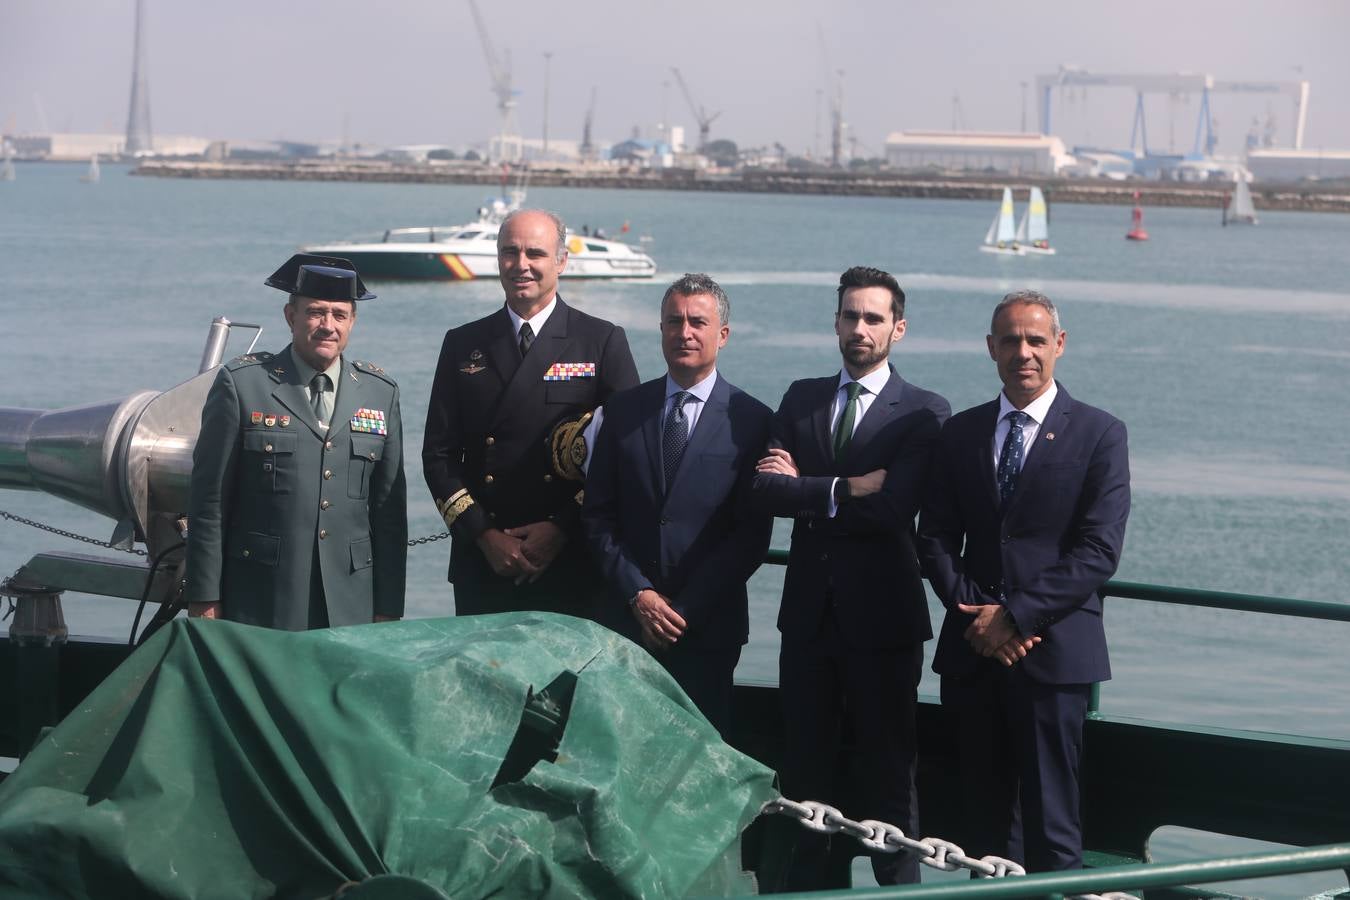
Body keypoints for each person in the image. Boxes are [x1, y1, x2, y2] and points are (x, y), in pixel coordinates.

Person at [918, 289, 1130, 872]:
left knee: (1052, 823)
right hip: (972, 653)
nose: (1024, 352)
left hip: (1054, 656)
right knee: (981, 826)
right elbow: (934, 537)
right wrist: (978, 617)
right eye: (1010, 340)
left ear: (1059, 345)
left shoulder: (1099, 434)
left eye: (1036, 339)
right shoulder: (960, 433)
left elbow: (1098, 550)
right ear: (991, 348)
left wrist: (1014, 617)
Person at [752, 266, 950, 888]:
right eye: (850, 316)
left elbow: (895, 509)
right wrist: (844, 487)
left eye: (873, 318)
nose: (859, 329)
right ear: (835, 321)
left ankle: (899, 889)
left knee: (889, 773)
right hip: (809, 617)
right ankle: (811, 888)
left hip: (884, 620)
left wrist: (806, 491)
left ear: (898, 327)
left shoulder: (922, 412)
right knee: (807, 772)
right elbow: (764, 489)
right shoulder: (802, 396)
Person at [422, 209, 639, 618]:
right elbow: (437, 456)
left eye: (535, 253)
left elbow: (624, 453)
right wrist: (484, 534)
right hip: (485, 563)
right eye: (510, 252)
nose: (521, 265)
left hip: (571, 561)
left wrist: (561, 528)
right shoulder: (462, 343)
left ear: (561, 261)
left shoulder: (601, 341)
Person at [581, 274, 772, 736]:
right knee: (621, 748)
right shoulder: (623, 411)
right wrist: (639, 594)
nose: (684, 332)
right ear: (661, 329)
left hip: (707, 627)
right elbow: (598, 517)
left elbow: (750, 537)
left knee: (700, 756)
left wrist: (682, 609)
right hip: (625, 620)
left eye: (697, 322)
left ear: (721, 334)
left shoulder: (754, 420)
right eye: (674, 321)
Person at [185, 254, 407, 629]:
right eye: (316, 312)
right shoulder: (243, 385)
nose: (328, 326)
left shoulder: (378, 393)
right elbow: (209, 501)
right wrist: (204, 596)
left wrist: (389, 605)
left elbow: (389, 515)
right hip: (261, 596)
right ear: (291, 316)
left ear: (353, 321)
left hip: (351, 600)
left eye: (339, 315)